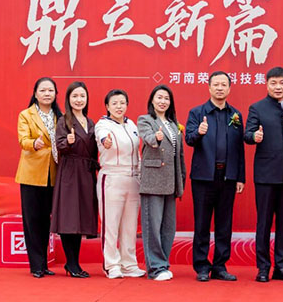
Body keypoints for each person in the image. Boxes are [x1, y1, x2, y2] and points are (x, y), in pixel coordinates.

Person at [244, 67, 283, 283]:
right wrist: (254, 136)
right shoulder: (257, 108)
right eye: (273, 83)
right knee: (264, 223)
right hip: (265, 175)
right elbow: (247, 134)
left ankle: (282, 267)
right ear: (267, 84)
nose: (278, 87)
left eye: (282, 83)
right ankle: (263, 268)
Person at [185, 71, 245, 282]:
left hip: (228, 176)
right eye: (216, 84)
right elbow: (189, 140)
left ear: (229, 88)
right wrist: (199, 132)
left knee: (224, 224)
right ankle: (202, 266)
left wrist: (240, 177)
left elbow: (239, 149)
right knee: (202, 223)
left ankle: (220, 266)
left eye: (223, 85)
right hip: (204, 177)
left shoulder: (235, 115)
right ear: (209, 87)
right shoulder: (197, 113)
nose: (220, 88)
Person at [94, 89, 146, 279]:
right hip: (112, 177)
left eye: (122, 103)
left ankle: (129, 264)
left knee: (130, 226)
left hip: (132, 178)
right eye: (114, 103)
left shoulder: (131, 125)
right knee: (111, 224)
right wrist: (105, 141)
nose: (119, 107)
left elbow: (138, 151)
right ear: (107, 106)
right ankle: (111, 264)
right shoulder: (103, 124)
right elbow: (102, 136)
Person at [138, 85, 186, 281]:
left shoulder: (174, 124)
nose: (163, 101)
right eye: (159, 97)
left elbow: (179, 155)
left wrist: (181, 179)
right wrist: (155, 138)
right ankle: (155, 268)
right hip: (153, 180)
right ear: (152, 100)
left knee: (168, 227)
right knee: (152, 226)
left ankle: (163, 263)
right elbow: (148, 138)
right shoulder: (145, 120)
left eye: (166, 98)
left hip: (171, 180)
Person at [51, 81, 98, 278]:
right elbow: (59, 145)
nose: (79, 100)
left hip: (86, 173)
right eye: (75, 96)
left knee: (80, 218)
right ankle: (72, 263)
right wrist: (67, 143)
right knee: (69, 218)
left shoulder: (91, 122)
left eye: (82, 96)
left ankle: (74, 263)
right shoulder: (64, 121)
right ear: (68, 99)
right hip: (70, 172)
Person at [15, 77, 62, 278]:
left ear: (56, 94)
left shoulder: (60, 116)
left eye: (50, 90)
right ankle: (36, 265)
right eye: (43, 90)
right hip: (32, 175)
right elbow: (23, 140)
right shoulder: (26, 115)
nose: (47, 94)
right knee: (32, 220)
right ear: (35, 94)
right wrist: (34, 144)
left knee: (45, 220)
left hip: (54, 174)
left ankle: (44, 263)